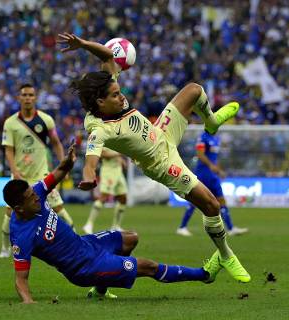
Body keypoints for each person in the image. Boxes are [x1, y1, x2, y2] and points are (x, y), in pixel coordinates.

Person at [58, 33, 250, 283]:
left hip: (161, 131)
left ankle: (211, 123)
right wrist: (88, 175)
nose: (122, 97)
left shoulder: (108, 92)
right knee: (212, 206)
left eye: (119, 91)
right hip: (162, 163)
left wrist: (83, 45)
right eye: (116, 95)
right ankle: (225, 254)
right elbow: (91, 157)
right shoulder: (99, 128)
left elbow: (107, 55)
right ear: (100, 102)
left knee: (194, 90)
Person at [4, 144, 223, 303]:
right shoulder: (21, 235)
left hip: (86, 244)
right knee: (148, 266)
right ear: (19, 208)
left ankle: (100, 291)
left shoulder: (35, 195)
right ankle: (204, 274)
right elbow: (20, 279)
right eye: (31, 198)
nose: (36, 197)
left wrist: (67, 163)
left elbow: (56, 176)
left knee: (130, 238)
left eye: (34, 193)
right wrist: (29, 304)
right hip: (83, 268)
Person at [0, 83, 74, 258]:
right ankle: (4, 248)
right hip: (20, 178)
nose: (27, 98)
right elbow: (8, 149)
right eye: (24, 95)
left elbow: (55, 142)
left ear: (35, 98)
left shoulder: (46, 120)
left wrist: (64, 163)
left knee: (60, 210)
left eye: (31, 95)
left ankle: (75, 243)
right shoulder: (11, 123)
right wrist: (14, 171)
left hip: (42, 176)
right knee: (10, 214)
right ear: (19, 98)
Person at [177, 131, 248, 237]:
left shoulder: (216, 138)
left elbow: (214, 159)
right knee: (196, 201)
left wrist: (218, 170)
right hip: (203, 174)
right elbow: (200, 154)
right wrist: (211, 166)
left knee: (221, 200)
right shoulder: (203, 137)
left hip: (212, 175)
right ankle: (182, 227)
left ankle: (231, 228)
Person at [82, 147, 128, 234]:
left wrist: (121, 160)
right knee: (104, 197)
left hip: (118, 172)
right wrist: (119, 153)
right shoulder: (105, 140)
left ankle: (116, 226)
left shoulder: (116, 139)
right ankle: (89, 224)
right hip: (108, 172)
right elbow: (102, 154)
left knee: (123, 198)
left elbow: (116, 153)